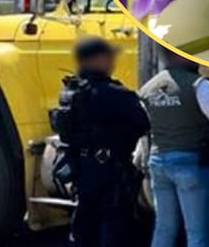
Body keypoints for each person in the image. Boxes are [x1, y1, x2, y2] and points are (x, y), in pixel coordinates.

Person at [55, 36, 151, 247]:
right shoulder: (113, 93)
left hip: (80, 167)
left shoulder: (70, 91)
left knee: (84, 226)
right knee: (114, 226)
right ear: (96, 60)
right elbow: (143, 122)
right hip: (109, 169)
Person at [138, 47, 209, 247]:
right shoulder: (200, 85)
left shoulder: (148, 88)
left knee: (164, 228)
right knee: (197, 233)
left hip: (158, 161)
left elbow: (145, 126)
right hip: (192, 162)